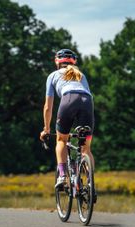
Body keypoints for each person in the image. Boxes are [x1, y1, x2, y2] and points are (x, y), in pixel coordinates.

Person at [39, 49, 95, 188]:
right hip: (87, 103)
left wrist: (46, 129)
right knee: (86, 148)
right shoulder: (80, 75)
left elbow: (48, 107)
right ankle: (90, 183)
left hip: (68, 100)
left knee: (61, 139)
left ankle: (63, 176)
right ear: (74, 61)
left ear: (57, 62)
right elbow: (87, 94)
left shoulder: (53, 76)